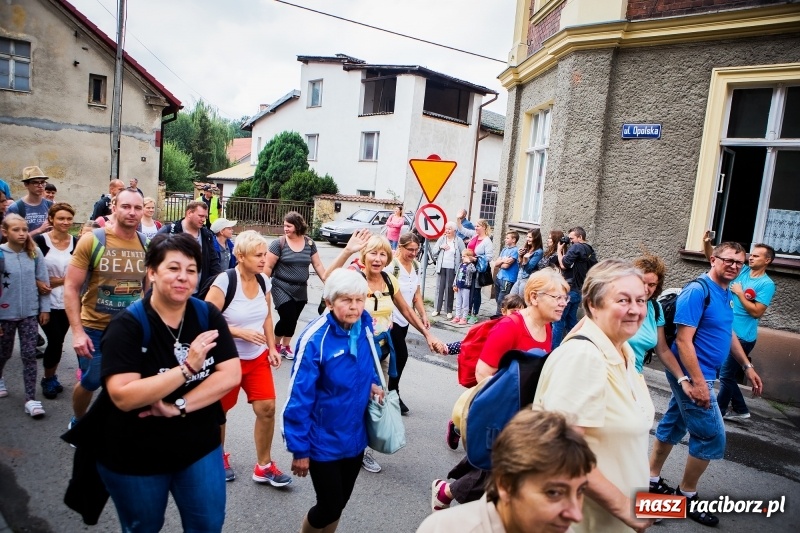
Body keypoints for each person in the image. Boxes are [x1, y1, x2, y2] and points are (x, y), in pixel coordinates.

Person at [91, 232, 240, 533]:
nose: (183, 277)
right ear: (152, 272)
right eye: (173, 268)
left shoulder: (206, 315)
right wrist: (187, 368)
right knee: (144, 527)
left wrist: (178, 407)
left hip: (198, 445)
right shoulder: (128, 326)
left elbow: (230, 374)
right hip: (135, 452)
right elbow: (124, 395)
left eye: (191, 270)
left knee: (208, 525)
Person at [534, 259, 655, 532]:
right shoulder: (584, 357)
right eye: (623, 300)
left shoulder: (623, 351)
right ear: (592, 305)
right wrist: (624, 506)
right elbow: (562, 453)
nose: (635, 310)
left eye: (641, 300)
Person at [433, 268, 568, 511]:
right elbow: (483, 374)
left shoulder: (546, 327)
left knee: (498, 471)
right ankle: (452, 499)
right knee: (498, 472)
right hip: (503, 412)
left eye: (565, 298)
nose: (563, 304)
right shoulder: (510, 326)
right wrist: (506, 417)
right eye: (556, 297)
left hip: (525, 414)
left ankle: (447, 493)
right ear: (534, 297)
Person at [649, 241, 763, 528]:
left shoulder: (725, 293)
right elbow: (684, 341)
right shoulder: (698, 291)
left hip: (705, 373)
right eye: (728, 260)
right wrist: (698, 383)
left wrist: (747, 366)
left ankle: (649, 480)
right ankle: (685, 496)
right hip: (693, 374)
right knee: (712, 435)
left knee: (675, 423)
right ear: (714, 259)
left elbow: (728, 332)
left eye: (740, 262)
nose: (734, 266)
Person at [325, 229, 446, 473]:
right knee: (355, 398)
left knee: (375, 398)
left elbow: (407, 311)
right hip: (355, 349)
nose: (378, 258)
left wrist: (428, 334)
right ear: (364, 255)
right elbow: (328, 279)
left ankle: (358, 448)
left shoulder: (390, 281)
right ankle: (350, 446)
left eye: (382, 254)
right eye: (373, 253)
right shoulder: (354, 277)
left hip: (381, 349)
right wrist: (347, 250)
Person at [283, 268, 384, 533]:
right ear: (329, 302)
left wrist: (373, 383)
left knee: (339, 504)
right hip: (322, 440)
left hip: (355, 436)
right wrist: (300, 449)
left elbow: (368, 360)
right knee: (328, 506)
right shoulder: (316, 339)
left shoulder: (364, 324)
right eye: (346, 300)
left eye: (359, 299)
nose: (354, 307)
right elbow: (298, 398)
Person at [419, 408, 595, 533]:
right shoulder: (444, 528)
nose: (576, 515)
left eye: (580, 491)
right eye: (554, 493)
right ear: (506, 485)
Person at [205, 231, 289, 486]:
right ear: (240, 256)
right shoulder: (224, 281)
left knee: (267, 409)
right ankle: (216, 457)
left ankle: (263, 465)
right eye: (258, 255)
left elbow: (265, 315)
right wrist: (238, 332)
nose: (264, 260)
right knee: (219, 411)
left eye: (265, 254)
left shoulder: (264, 281)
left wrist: (273, 347)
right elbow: (206, 318)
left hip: (257, 358)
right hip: (226, 360)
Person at [65, 188, 147, 428]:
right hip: (94, 329)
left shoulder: (146, 244)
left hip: (129, 331)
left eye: (137, 208)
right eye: (126, 206)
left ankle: (110, 426)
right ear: (114, 207)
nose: (132, 212)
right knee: (91, 381)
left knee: (126, 382)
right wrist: (77, 332)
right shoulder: (93, 240)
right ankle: (78, 422)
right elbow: (71, 287)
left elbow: (149, 291)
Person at [702, 233, 775, 422]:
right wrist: (706, 243)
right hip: (727, 331)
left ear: (767, 260)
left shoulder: (766, 284)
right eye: (751, 255)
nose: (751, 257)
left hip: (742, 337)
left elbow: (757, 312)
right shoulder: (742, 272)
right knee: (724, 374)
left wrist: (741, 294)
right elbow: (715, 258)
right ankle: (741, 408)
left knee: (726, 376)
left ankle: (719, 411)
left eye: (757, 256)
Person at [0, 214, 50, 417]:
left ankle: (31, 398)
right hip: (5, 315)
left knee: (29, 355)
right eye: (16, 230)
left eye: (24, 229)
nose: (22, 233)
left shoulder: (34, 252)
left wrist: (44, 308)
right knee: (4, 353)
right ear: (5, 232)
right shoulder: (1, 255)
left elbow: (44, 282)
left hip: (29, 314)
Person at [264, 211, 326, 359]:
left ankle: (286, 346)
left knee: (293, 319)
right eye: (285, 225)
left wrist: (328, 282)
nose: (285, 228)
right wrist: (262, 285)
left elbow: (317, 264)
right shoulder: (278, 243)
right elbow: (268, 266)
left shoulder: (309, 243)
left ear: (297, 226)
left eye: (289, 226)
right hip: (281, 286)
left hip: (300, 288)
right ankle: (275, 345)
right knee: (288, 316)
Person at [33, 203, 79, 400]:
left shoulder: (76, 242)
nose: (65, 222)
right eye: (61, 218)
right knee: (55, 340)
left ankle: (51, 376)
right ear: (51, 219)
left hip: (68, 302)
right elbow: (29, 269)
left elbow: (80, 275)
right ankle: (48, 379)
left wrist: (58, 281)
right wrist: (38, 281)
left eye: (69, 219)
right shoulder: (40, 241)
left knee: (58, 341)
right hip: (45, 302)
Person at [386, 233, 430, 415]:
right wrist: (386, 315)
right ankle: (393, 393)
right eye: (409, 249)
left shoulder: (416, 266)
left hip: (405, 320)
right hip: (391, 319)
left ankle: (382, 391)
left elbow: (416, 295)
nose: (413, 253)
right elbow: (384, 293)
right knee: (401, 355)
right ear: (401, 247)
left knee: (386, 357)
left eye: (416, 250)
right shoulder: (391, 267)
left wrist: (423, 314)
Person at [158, 201, 222, 295]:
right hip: (171, 292)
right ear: (189, 213)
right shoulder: (169, 231)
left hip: (198, 294)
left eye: (205, 217)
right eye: (200, 216)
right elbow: (154, 258)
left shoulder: (206, 235)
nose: (203, 219)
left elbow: (214, 262)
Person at [625, 254, 672, 374]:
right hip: (609, 377)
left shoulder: (655, 308)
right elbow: (583, 332)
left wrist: (682, 379)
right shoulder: (616, 303)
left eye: (651, 285)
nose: (646, 289)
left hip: (635, 377)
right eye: (642, 282)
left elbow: (662, 350)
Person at [553, 226, 596, 349]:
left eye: (572, 238)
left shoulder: (576, 247)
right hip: (579, 291)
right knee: (571, 321)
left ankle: (554, 350)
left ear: (580, 237)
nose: (570, 241)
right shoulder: (590, 250)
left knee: (558, 321)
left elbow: (564, 265)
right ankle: (577, 346)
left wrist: (559, 250)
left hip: (570, 290)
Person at [460, 219, 493, 325]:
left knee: (476, 291)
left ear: (484, 227)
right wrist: (458, 219)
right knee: (469, 289)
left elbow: (489, 257)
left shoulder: (487, 241)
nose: (476, 227)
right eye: (475, 226)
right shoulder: (474, 236)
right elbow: (462, 229)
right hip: (469, 267)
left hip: (478, 268)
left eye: (478, 226)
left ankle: (475, 313)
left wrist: (476, 258)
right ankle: (468, 311)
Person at [7, 166, 54, 236]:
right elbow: (11, 237)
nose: (40, 186)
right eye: (35, 183)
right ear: (26, 184)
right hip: (25, 246)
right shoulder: (16, 207)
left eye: (43, 182)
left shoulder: (50, 205)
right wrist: (39, 230)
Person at [432, 222, 464, 319]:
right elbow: (434, 252)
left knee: (450, 289)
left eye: (449, 229)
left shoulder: (459, 240)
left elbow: (464, 253)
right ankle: (436, 309)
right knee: (439, 288)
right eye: (446, 229)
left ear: (454, 231)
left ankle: (448, 310)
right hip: (441, 267)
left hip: (452, 268)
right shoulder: (442, 239)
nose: (447, 231)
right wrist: (440, 247)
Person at [492, 231, 520, 316]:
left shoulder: (516, 250)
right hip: (499, 278)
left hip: (507, 280)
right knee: (497, 300)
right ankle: (499, 317)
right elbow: (496, 264)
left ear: (514, 240)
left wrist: (501, 262)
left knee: (502, 301)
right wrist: (503, 261)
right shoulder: (504, 249)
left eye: (508, 238)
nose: (505, 239)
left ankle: (499, 318)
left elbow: (506, 266)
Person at [510, 228, 543, 298]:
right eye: (527, 236)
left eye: (530, 237)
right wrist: (519, 256)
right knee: (511, 300)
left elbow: (528, 269)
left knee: (521, 302)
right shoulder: (527, 249)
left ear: (536, 238)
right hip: (519, 278)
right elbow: (520, 266)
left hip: (526, 280)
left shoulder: (538, 252)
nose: (527, 239)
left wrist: (525, 259)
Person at [452, 249, 476, 326]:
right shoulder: (461, 265)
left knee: (465, 303)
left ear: (469, 257)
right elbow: (457, 275)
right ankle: (457, 316)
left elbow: (473, 270)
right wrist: (454, 284)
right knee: (458, 302)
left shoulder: (470, 265)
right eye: (462, 256)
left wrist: (469, 261)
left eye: (464, 256)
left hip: (466, 287)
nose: (462, 258)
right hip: (459, 286)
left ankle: (464, 318)